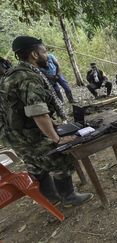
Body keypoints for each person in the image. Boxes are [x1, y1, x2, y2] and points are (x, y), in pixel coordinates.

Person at [0, 36, 93, 207]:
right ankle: (68, 197)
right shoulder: (28, 77)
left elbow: (22, 108)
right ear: (34, 54)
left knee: (36, 165)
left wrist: (52, 123)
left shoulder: (13, 74)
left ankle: (52, 198)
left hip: (13, 134)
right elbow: (38, 113)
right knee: (60, 156)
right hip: (26, 135)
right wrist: (56, 139)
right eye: (44, 51)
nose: (47, 55)